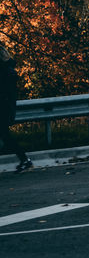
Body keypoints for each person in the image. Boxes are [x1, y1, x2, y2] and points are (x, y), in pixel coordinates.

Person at [1, 42, 33, 172]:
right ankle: (24, 160)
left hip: (3, 108)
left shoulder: (6, 73)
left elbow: (5, 92)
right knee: (6, 137)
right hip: (6, 108)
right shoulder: (9, 71)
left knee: (6, 137)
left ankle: (25, 160)